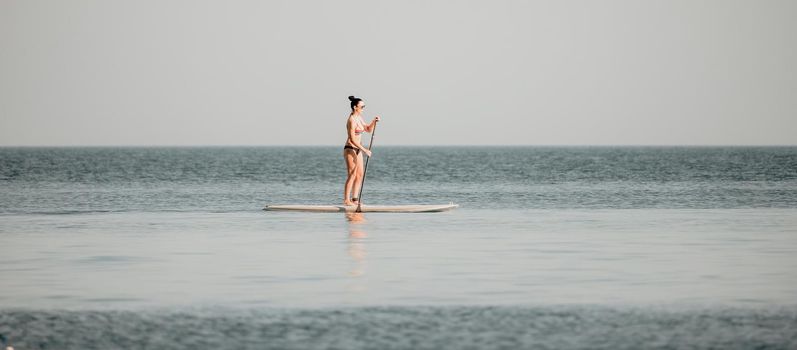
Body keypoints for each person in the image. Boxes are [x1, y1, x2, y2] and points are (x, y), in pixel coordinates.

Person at [343, 95, 380, 206]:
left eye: (364, 106)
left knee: (359, 174)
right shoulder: (351, 120)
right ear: (355, 107)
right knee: (352, 174)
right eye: (362, 106)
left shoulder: (359, 118)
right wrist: (365, 150)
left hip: (358, 149)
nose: (363, 108)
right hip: (350, 148)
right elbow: (352, 139)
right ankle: (346, 200)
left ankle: (354, 199)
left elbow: (368, 129)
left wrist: (374, 121)